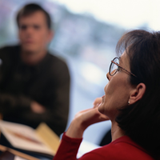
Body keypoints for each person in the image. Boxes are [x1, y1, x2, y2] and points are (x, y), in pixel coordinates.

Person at [53, 30, 160, 160]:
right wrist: (79, 123)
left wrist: (77, 125)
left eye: (119, 68)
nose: (109, 75)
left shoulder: (103, 157)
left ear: (136, 93)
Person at [0, 3, 70, 137]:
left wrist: (10, 109)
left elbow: (59, 122)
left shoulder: (59, 68)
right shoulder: (4, 56)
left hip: (35, 141)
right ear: (18, 32)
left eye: (36, 27)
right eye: (23, 27)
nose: (29, 32)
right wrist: (28, 104)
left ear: (49, 35)